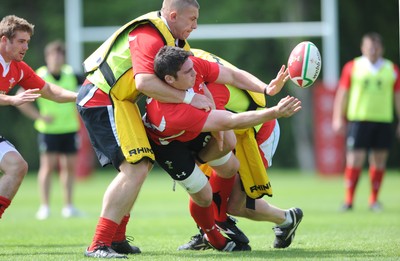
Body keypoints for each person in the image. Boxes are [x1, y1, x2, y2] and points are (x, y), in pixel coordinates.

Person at [76, 0, 213, 258]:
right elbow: (144, 81)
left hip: (120, 101)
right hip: (102, 97)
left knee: (143, 164)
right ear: (173, 15)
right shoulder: (149, 35)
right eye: (191, 19)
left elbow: (194, 74)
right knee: (135, 168)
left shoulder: (173, 39)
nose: (195, 25)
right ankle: (98, 244)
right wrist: (188, 100)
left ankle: (116, 240)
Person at [143, 46, 301, 251]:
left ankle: (286, 218)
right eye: (190, 20)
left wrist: (266, 90)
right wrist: (275, 111)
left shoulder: (192, 63)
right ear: (169, 79)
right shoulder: (176, 107)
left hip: (258, 130)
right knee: (208, 193)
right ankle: (214, 232)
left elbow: (233, 78)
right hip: (196, 135)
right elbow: (229, 121)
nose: (194, 72)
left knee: (235, 203)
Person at [0, 15, 77, 220]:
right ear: (4, 40)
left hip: (67, 131)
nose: (25, 47)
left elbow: (51, 91)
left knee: (17, 166)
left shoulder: (19, 68)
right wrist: (10, 100)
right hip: (49, 132)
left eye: (27, 42)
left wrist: (82, 97)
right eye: (21, 41)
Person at [332, 32, 400, 212]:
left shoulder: (391, 69)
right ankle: (348, 201)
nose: (373, 50)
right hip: (359, 120)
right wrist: (338, 117)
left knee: (378, 161)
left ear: (382, 49)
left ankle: (374, 200)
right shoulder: (353, 67)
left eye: (376, 47)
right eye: (370, 46)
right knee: (355, 160)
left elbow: (397, 96)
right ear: (363, 48)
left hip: (383, 120)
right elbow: (342, 94)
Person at [16, 40, 82, 220]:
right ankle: (44, 207)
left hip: (69, 128)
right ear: (47, 57)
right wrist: (38, 116)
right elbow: (19, 98)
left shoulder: (72, 75)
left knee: (69, 168)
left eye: (60, 55)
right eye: (54, 55)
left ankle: (69, 206)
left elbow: (87, 92)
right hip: (48, 130)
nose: (57, 58)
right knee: (47, 168)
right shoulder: (39, 75)